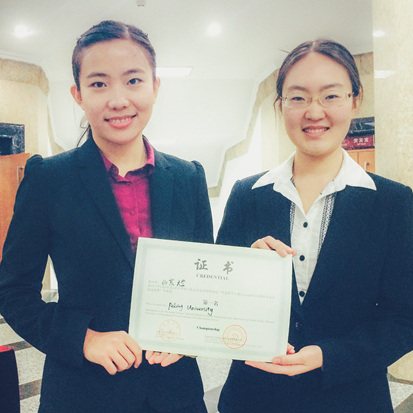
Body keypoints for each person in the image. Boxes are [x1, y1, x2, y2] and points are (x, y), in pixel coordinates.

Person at [0, 20, 213, 413]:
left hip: (175, 393)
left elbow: (203, 283)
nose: (118, 100)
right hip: (83, 392)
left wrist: (188, 337)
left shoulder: (188, 178)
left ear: (155, 86)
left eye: (133, 81)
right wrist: (83, 339)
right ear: (78, 94)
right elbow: (12, 292)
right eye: (99, 83)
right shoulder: (49, 178)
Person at [216, 39, 413, 413]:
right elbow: (217, 299)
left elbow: (404, 319)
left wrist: (328, 355)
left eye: (331, 95)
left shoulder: (392, 202)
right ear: (281, 106)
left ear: (355, 100)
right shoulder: (247, 195)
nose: (314, 111)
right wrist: (243, 269)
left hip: (351, 398)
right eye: (298, 97)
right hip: (254, 396)